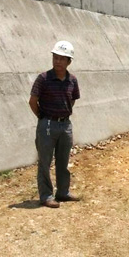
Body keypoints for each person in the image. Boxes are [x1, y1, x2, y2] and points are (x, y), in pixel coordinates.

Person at [29, 41, 81, 208]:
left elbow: (72, 100)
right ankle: (46, 196)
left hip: (65, 126)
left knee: (63, 161)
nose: (58, 61)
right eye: (55, 57)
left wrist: (62, 114)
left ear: (69, 62)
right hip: (47, 125)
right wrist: (43, 118)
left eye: (62, 58)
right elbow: (33, 101)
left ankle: (63, 192)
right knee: (45, 162)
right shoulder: (43, 79)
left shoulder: (72, 80)